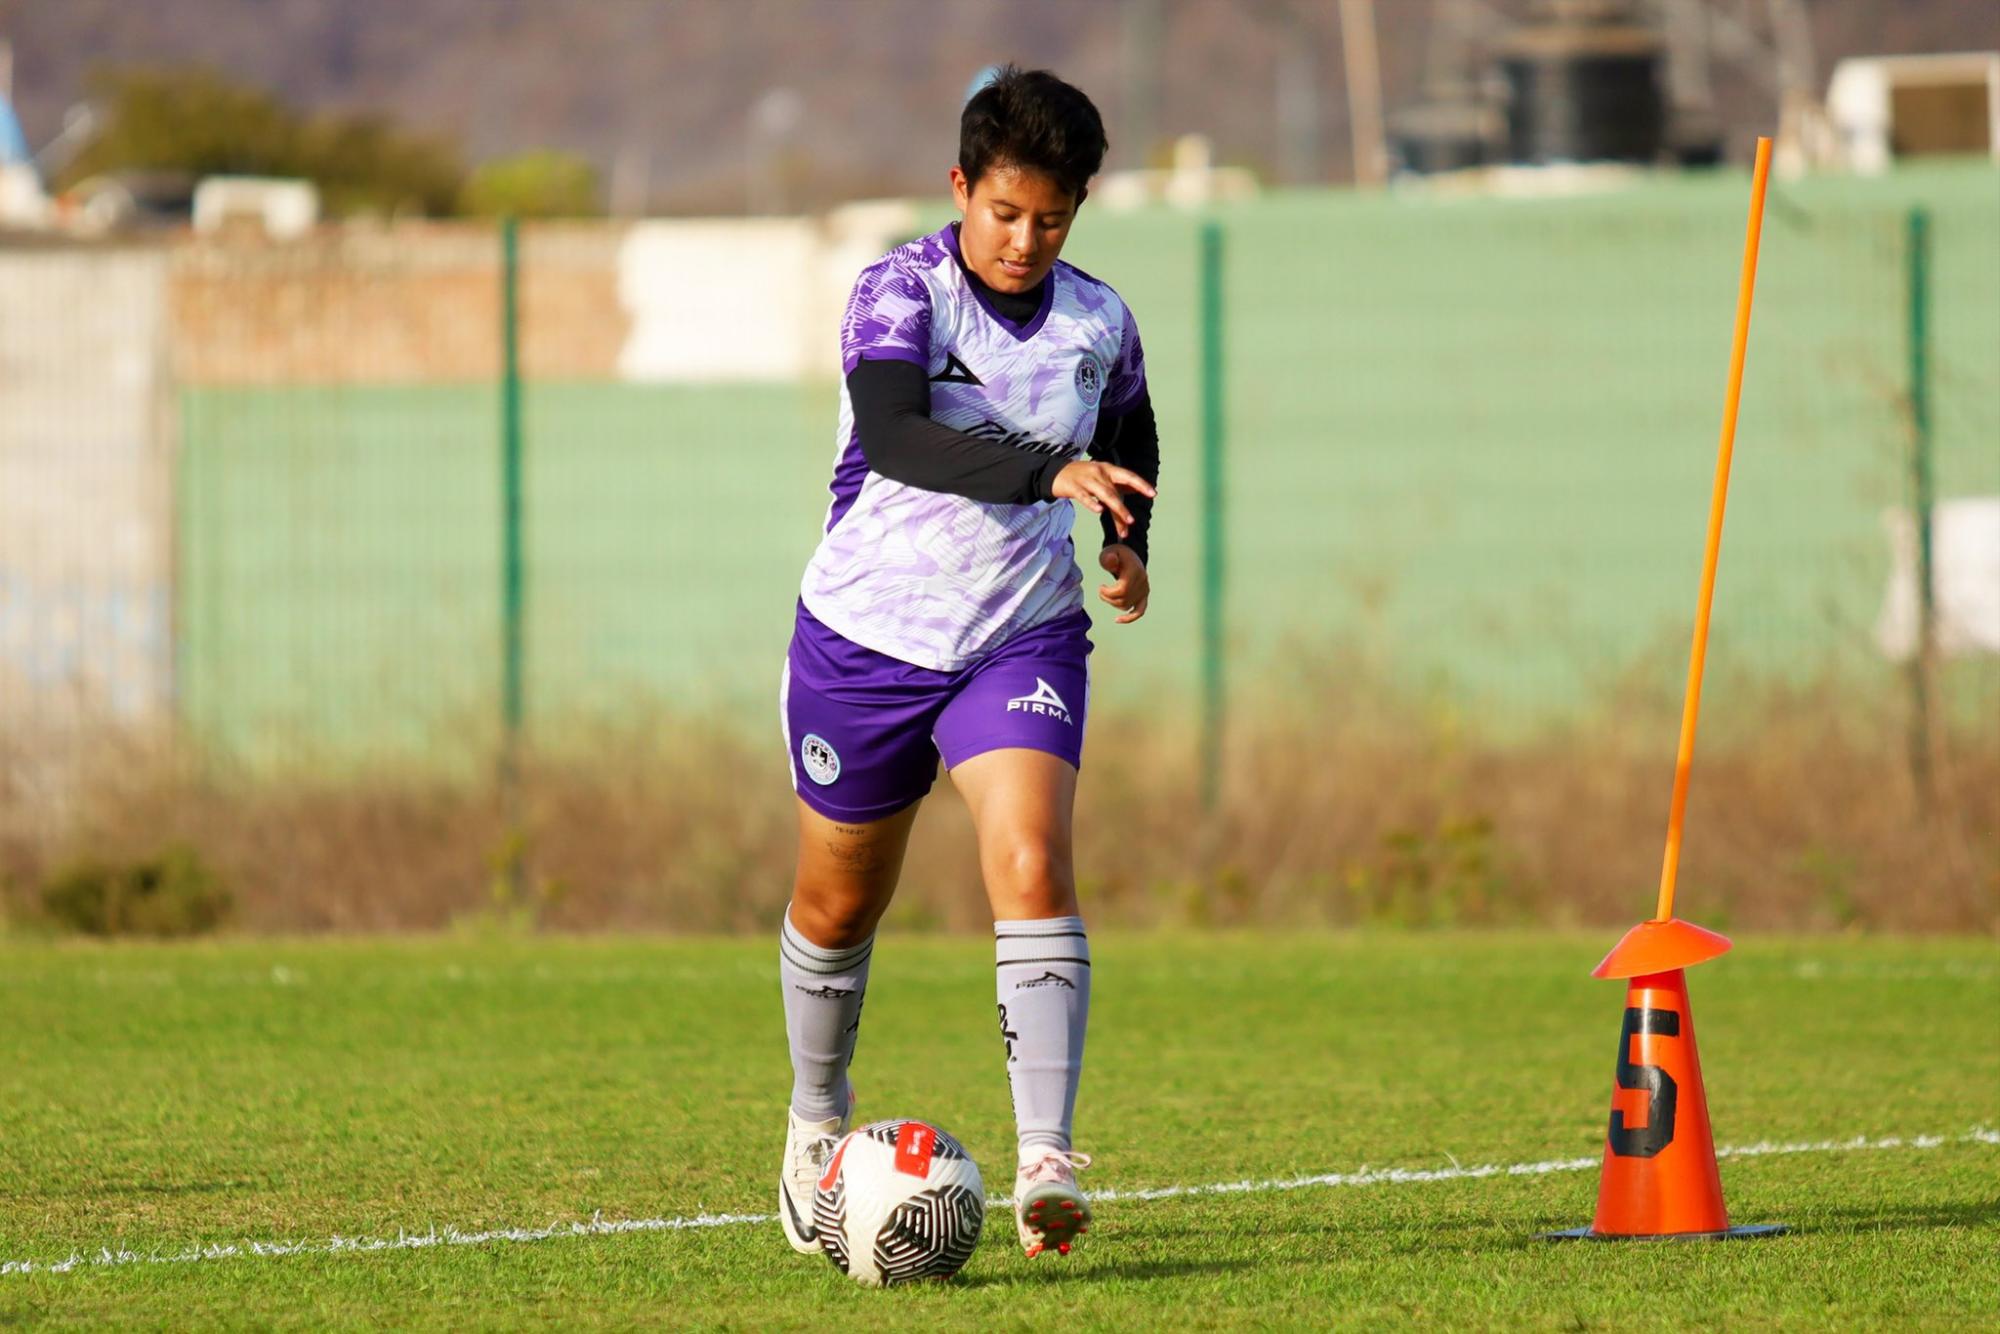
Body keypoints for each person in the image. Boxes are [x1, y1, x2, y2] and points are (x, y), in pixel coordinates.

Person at [775, 65, 1159, 1263]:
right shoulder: (902, 290)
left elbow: (1129, 430)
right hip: (865, 640)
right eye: (1004, 212)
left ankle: (1045, 1159)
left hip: (1021, 630)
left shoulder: (1099, 319)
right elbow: (893, 433)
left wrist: (1124, 540)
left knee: (1033, 855)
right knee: (840, 901)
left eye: (1051, 218)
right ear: (960, 187)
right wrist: (1047, 473)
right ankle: (815, 1116)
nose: (1025, 239)